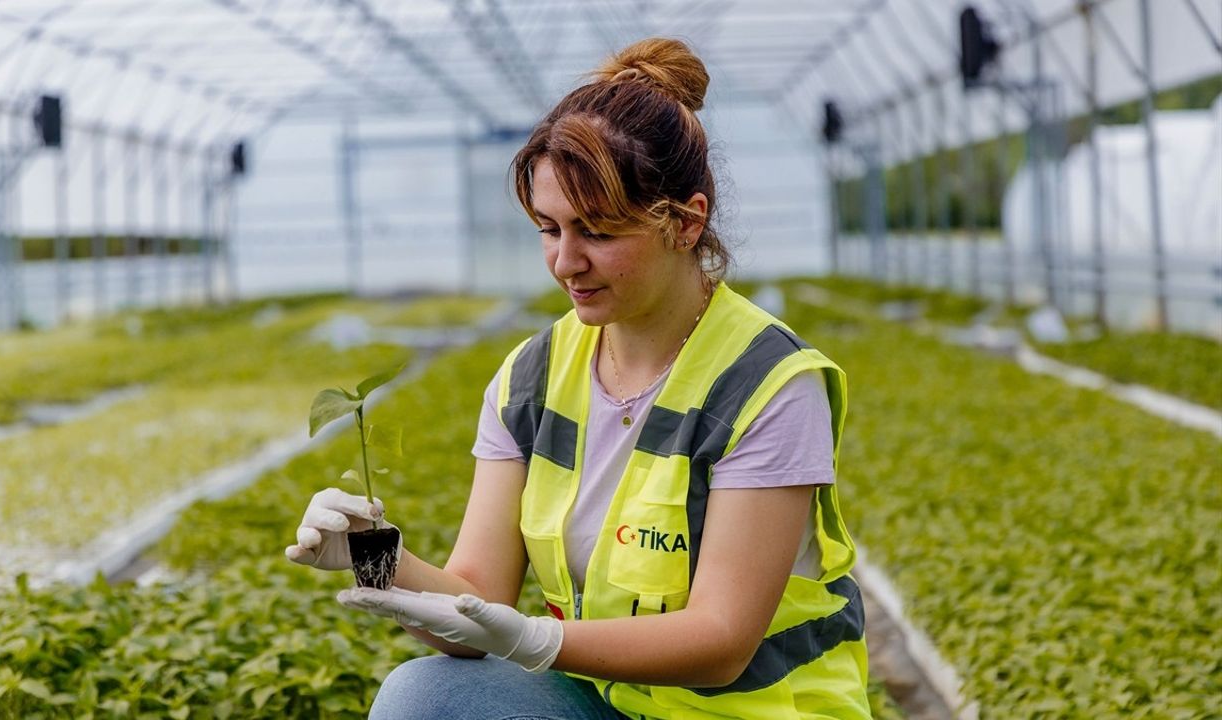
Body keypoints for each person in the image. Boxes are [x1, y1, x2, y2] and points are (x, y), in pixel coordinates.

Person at [286, 37, 870, 719]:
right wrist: (372, 556)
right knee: (423, 695)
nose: (566, 261)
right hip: (616, 707)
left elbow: (721, 642)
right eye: (548, 227)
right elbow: (477, 595)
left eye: (597, 230)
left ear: (686, 223)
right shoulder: (532, 378)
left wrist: (543, 640)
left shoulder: (768, 384)